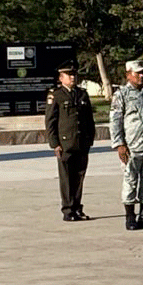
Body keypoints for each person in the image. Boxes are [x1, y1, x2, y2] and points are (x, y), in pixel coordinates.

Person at [109, 60, 143, 230]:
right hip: (132, 146)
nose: (141, 76)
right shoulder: (121, 94)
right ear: (128, 74)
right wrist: (119, 144)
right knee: (130, 180)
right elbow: (115, 121)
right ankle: (130, 216)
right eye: (137, 73)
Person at [45, 60, 95, 221]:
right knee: (66, 178)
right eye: (69, 75)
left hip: (81, 142)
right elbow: (50, 121)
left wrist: (90, 138)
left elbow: (88, 119)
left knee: (79, 177)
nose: (73, 78)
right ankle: (68, 210)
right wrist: (55, 144)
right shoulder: (56, 95)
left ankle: (77, 207)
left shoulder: (82, 94)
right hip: (65, 143)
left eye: (74, 74)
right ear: (61, 77)